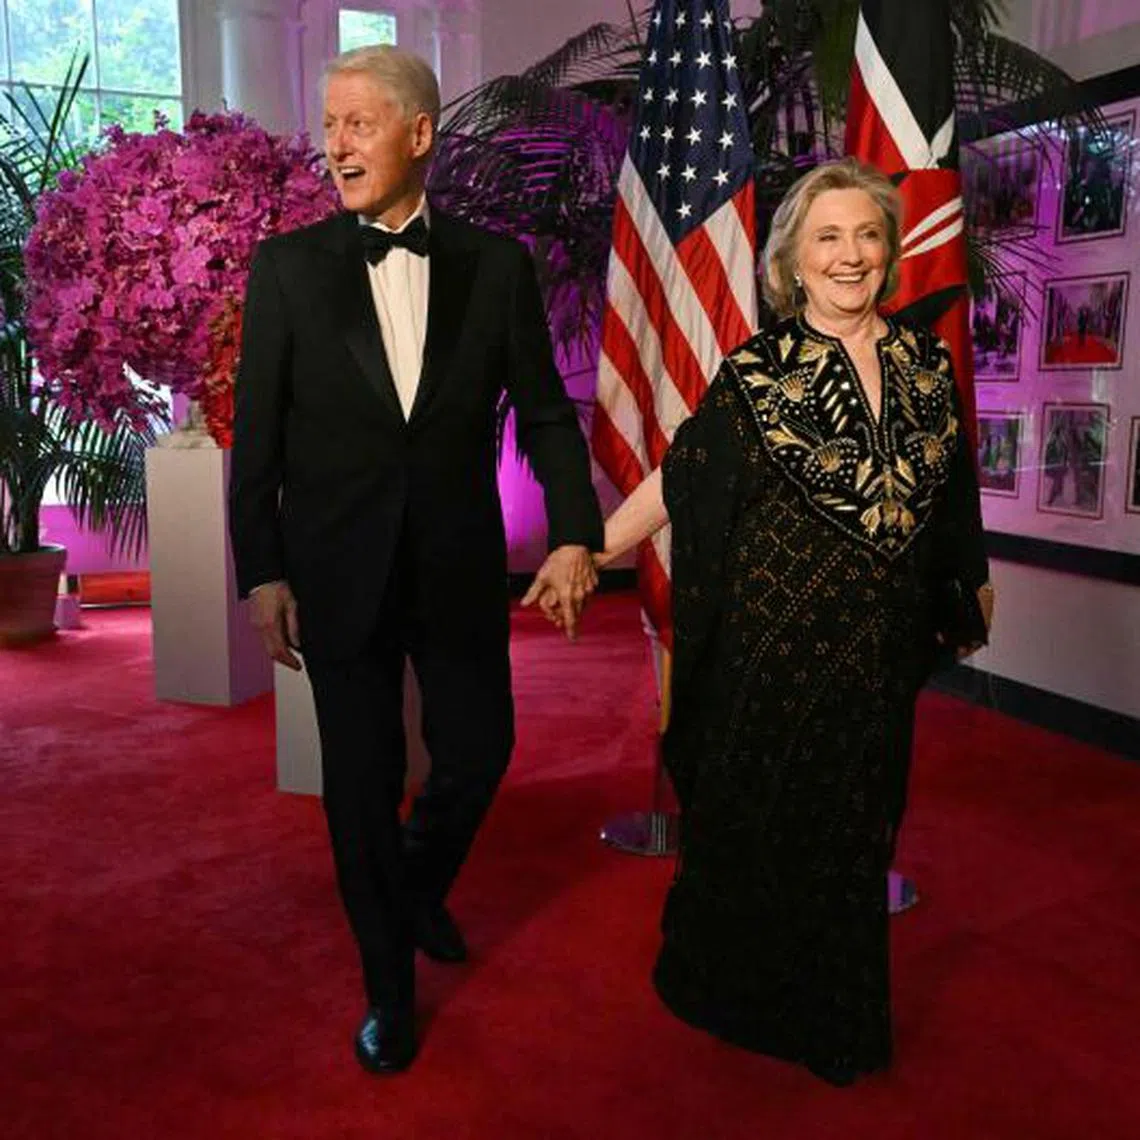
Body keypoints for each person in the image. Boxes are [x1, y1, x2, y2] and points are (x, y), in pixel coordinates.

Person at [560, 159, 994, 1084]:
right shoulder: (759, 371)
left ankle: (832, 1010)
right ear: (793, 261)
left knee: (857, 825)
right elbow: (679, 481)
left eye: (868, 235)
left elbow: (952, 493)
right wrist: (589, 550)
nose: (851, 255)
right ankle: (744, 994)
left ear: (889, 251)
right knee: (768, 821)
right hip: (773, 643)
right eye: (827, 238)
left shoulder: (925, 364)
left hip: (876, 651)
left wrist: (973, 579)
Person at [229, 45, 602, 1075]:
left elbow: (545, 412)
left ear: (419, 133)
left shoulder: (495, 266)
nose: (334, 145)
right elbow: (253, 437)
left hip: (454, 564)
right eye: (330, 125)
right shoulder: (288, 269)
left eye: (358, 123)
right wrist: (261, 570)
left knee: (478, 753)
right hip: (333, 570)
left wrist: (573, 529)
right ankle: (389, 988)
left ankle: (412, 887)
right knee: (361, 785)